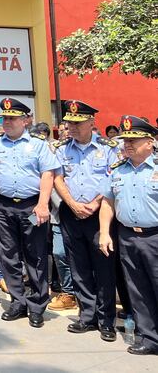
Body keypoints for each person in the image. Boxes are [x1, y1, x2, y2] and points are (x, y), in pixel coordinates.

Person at [0, 98, 58, 328]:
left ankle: (37, 305)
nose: (7, 122)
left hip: (32, 206)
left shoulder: (38, 144)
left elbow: (48, 174)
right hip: (3, 206)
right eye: (5, 118)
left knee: (35, 255)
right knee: (8, 254)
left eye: (12, 118)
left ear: (25, 120)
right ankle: (18, 301)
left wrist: (43, 204)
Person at [52, 100, 118, 341]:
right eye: (70, 123)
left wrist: (94, 203)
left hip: (99, 214)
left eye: (78, 123)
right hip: (71, 213)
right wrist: (72, 204)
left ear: (92, 122)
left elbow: (113, 178)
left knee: (104, 268)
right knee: (78, 267)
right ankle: (87, 316)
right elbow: (58, 179)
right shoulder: (62, 149)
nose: (72, 127)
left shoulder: (108, 148)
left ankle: (106, 320)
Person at [99, 115, 158, 355]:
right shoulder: (118, 170)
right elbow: (107, 203)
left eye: (134, 140)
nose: (128, 144)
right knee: (137, 289)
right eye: (125, 140)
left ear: (150, 142)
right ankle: (149, 338)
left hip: (155, 236)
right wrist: (105, 233)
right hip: (127, 236)